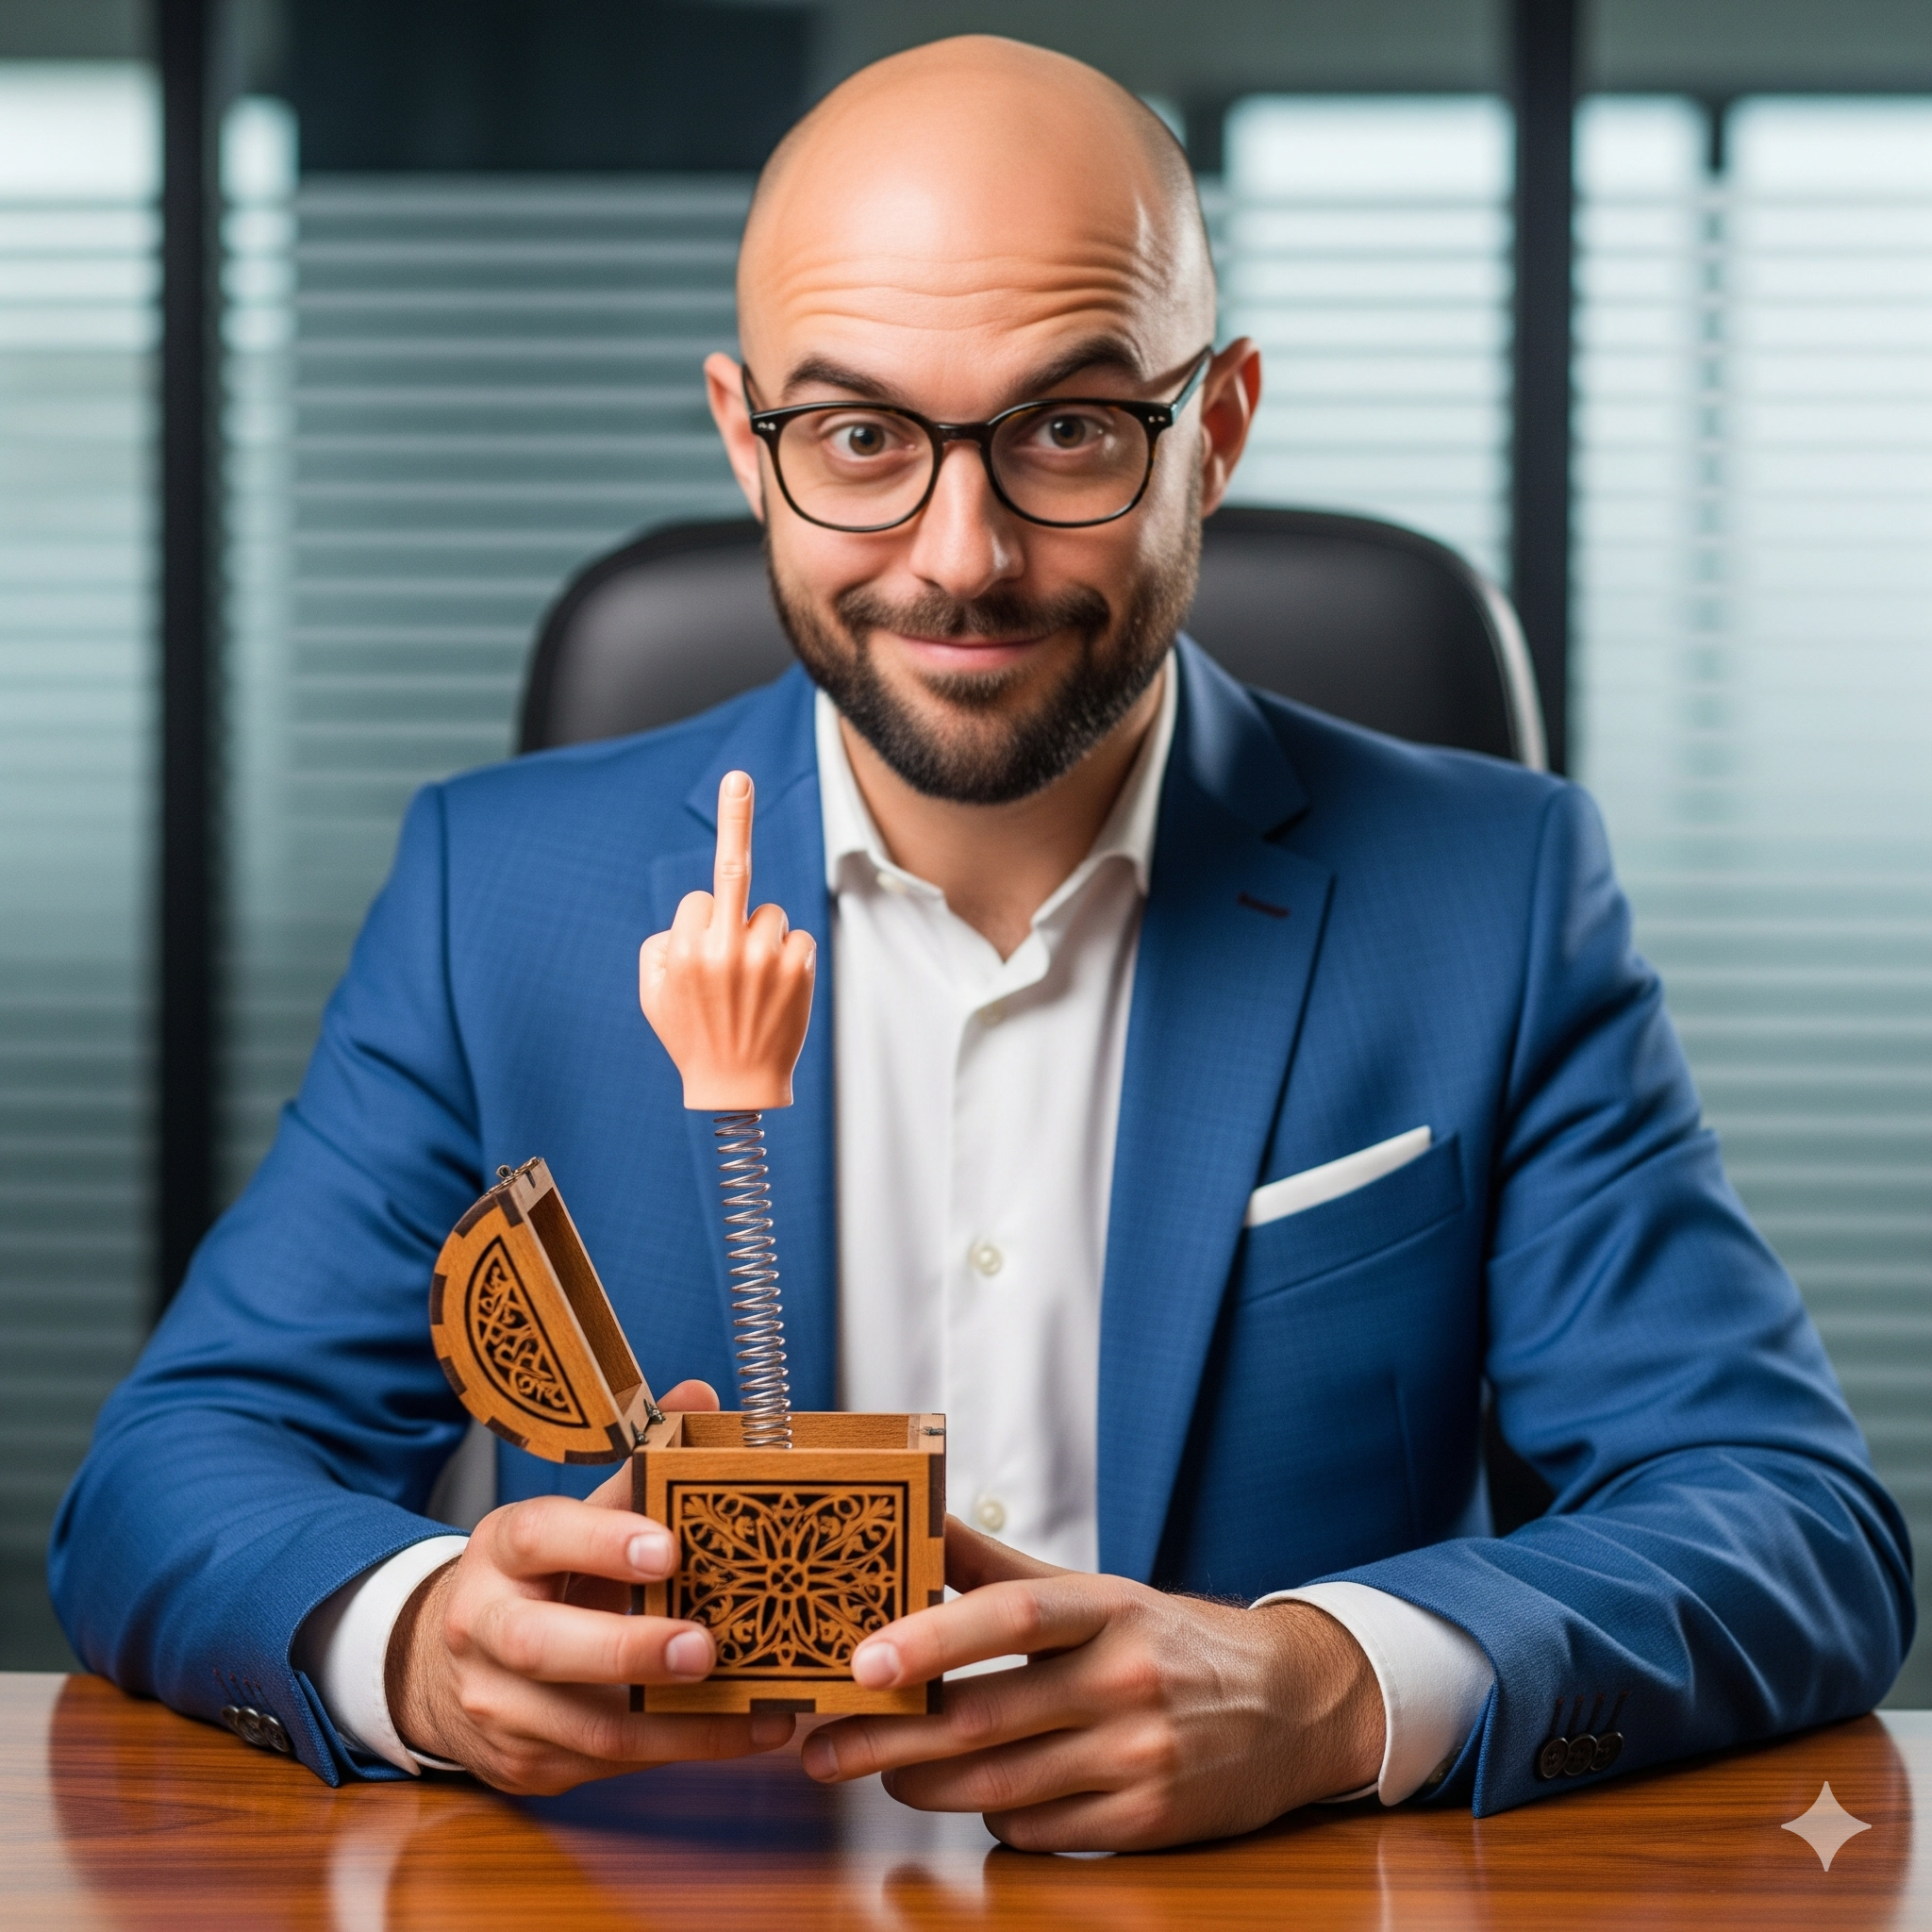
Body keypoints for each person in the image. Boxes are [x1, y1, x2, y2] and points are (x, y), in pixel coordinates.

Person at [51, 36, 1909, 1852]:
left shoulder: (1486, 893)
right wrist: (414, 1644)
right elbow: (171, 1473)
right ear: (745, 436)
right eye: (859, 435)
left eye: (1068, 430)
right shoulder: (494, 892)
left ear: (1219, 425)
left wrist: (1326, 1686)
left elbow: (1786, 1520)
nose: (960, 554)